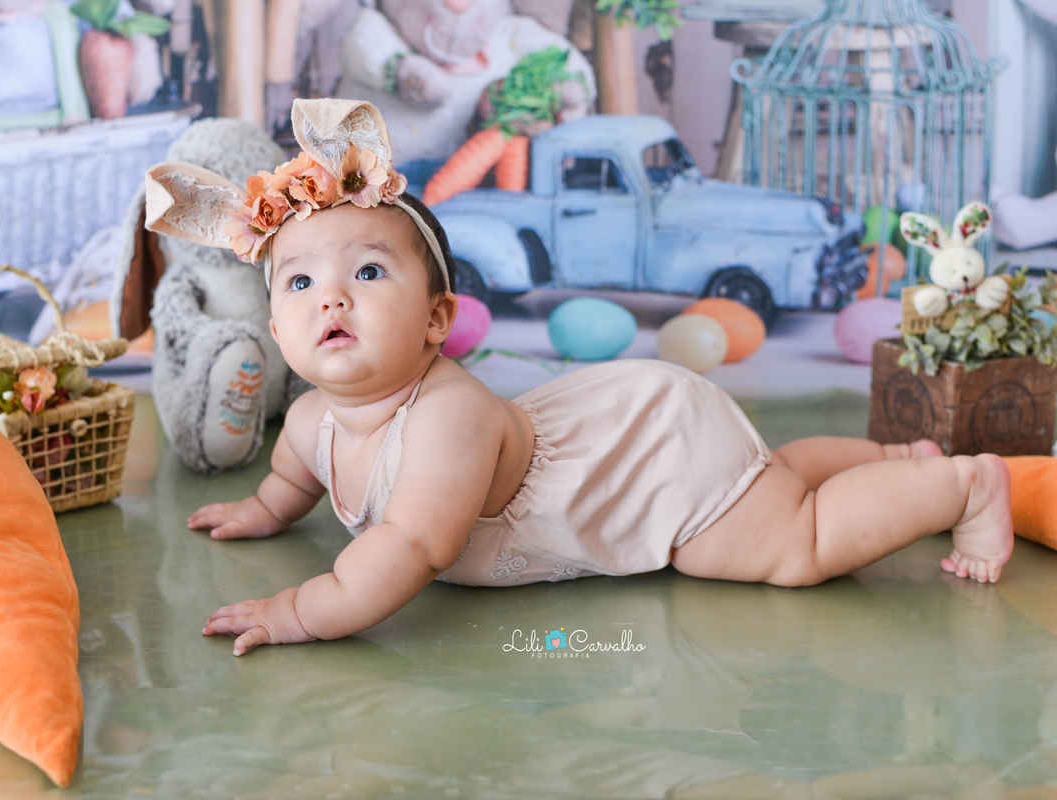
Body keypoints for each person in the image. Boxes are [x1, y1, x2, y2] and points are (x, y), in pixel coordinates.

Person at [144, 99, 1013, 657]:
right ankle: (895, 462)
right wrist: (264, 511)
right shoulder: (311, 423)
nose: (330, 294)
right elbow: (297, 475)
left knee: (790, 545)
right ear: (276, 317)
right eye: (299, 283)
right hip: (635, 415)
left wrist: (300, 610)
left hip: (647, 460)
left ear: (439, 321)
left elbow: (410, 547)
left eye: (368, 274)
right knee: (768, 477)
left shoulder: (445, 418)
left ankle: (961, 487)